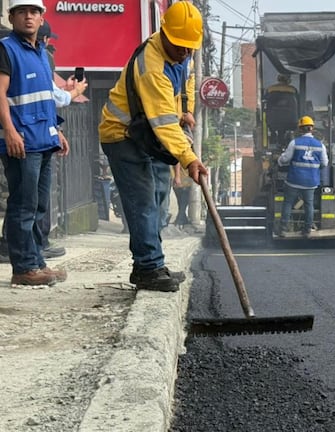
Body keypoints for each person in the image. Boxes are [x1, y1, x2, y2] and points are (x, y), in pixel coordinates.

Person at [98, 1, 208, 292]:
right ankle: (147, 268)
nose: (185, 52)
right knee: (143, 200)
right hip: (123, 135)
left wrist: (186, 110)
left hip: (149, 134)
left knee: (159, 198)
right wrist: (188, 158)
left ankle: (154, 262)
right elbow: (162, 121)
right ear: (165, 33)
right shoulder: (152, 66)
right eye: (180, 46)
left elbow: (186, 83)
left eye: (190, 47)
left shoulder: (184, 54)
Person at [0, 18, 86, 263]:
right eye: (23, 12)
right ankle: (25, 265)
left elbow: (45, 98)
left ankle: (36, 260)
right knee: (24, 205)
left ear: (40, 17)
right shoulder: (8, 49)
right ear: (12, 17)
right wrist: (10, 130)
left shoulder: (40, 54)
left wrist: (55, 130)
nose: (28, 17)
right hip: (22, 142)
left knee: (37, 205)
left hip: (43, 139)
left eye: (33, 12)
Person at [275, 115, 328, 237]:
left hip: (294, 180)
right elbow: (325, 163)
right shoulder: (320, 145)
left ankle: (283, 229)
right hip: (311, 182)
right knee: (309, 205)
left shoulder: (294, 143)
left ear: (300, 129)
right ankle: (307, 230)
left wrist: (279, 160)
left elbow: (285, 159)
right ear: (312, 129)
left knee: (288, 203)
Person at [172, 162, 193, 226]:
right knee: (183, 204)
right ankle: (179, 221)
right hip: (184, 183)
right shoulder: (183, 159)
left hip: (177, 183)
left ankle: (184, 219)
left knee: (181, 204)